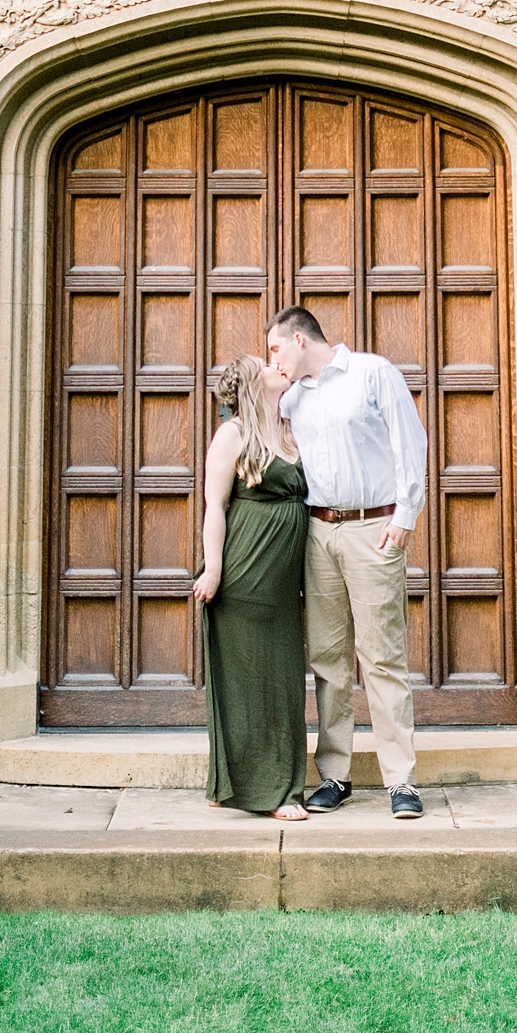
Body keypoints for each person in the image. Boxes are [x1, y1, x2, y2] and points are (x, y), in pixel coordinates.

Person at [267, 306, 428, 820]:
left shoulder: (372, 373)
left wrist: (405, 514)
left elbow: (411, 442)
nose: (273, 360)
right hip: (317, 532)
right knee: (329, 662)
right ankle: (334, 775)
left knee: (382, 656)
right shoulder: (290, 397)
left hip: (372, 529)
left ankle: (401, 781)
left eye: (275, 349)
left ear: (299, 338)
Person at [192, 354, 311, 820]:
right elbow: (215, 507)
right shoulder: (233, 435)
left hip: (282, 589)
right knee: (249, 685)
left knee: (282, 684)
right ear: (249, 383)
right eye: (266, 363)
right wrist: (214, 570)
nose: (276, 364)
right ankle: (273, 794)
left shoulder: (289, 429)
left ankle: (264, 783)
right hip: (245, 577)